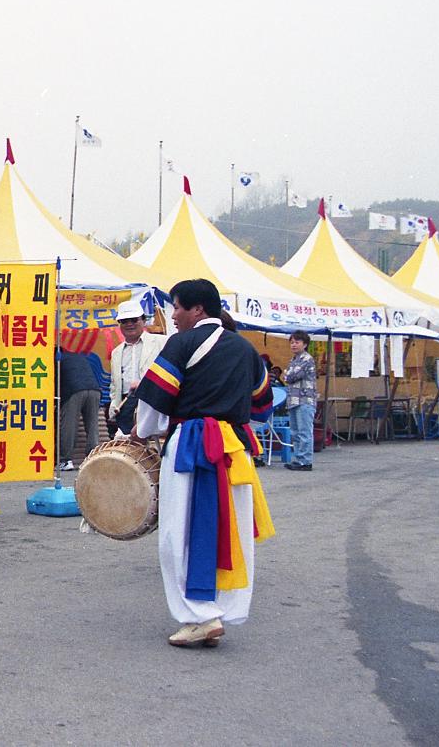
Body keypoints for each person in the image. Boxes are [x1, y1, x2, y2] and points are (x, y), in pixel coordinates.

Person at [129, 278, 276, 648]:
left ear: (198, 310)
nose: (173, 315)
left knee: (179, 532)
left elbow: (154, 404)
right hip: (234, 451)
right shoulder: (246, 351)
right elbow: (262, 410)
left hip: (191, 446)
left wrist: (141, 432)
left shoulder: (181, 344)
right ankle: (219, 610)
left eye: (177, 307)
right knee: (231, 531)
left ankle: (199, 616)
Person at [107, 299, 166, 439]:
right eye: (124, 321)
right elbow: (115, 385)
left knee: (153, 444)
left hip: (151, 401)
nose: (129, 324)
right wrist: (114, 408)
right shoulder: (116, 352)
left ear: (143, 320)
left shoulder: (161, 342)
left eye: (134, 320)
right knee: (129, 448)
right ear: (119, 324)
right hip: (126, 403)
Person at [57, 348, 101, 469]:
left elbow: (53, 380)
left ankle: (65, 460)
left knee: (69, 425)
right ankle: (93, 456)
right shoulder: (77, 356)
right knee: (92, 425)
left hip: (74, 391)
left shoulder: (56, 358)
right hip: (94, 390)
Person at [283, 330, 318, 471]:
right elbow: (288, 376)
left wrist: (287, 374)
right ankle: (298, 459)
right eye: (291, 342)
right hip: (293, 400)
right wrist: (287, 374)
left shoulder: (306, 359)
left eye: (297, 342)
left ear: (305, 344)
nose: (293, 345)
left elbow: (290, 377)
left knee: (304, 431)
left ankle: (306, 461)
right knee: (295, 432)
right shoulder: (293, 360)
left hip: (305, 400)